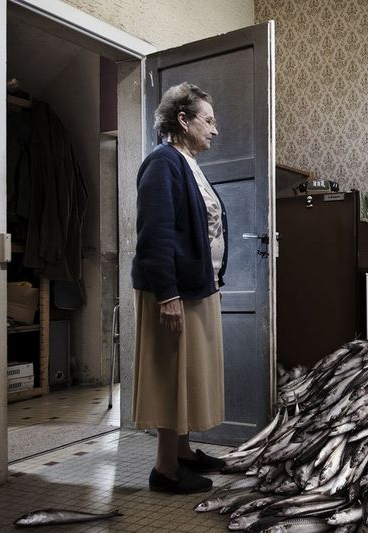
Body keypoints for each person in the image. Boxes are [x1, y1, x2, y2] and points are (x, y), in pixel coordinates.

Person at [131, 82, 228, 494]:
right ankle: (165, 469)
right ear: (183, 120)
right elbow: (154, 235)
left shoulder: (186, 162)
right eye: (209, 120)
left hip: (196, 289)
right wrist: (167, 295)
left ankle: (183, 453)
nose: (215, 129)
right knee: (171, 375)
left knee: (187, 374)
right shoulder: (162, 162)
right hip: (172, 293)